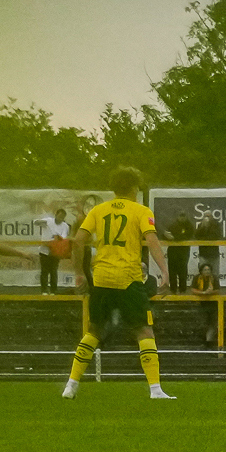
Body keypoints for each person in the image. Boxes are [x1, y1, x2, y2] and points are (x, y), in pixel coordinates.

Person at [64, 168, 175, 401]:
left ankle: (71, 385)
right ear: (134, 187)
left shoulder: (98, 210)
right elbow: (152, 241)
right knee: (144, 330)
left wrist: (79, 273)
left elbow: (78, 242)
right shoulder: (141, 211)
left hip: (102, 278)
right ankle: (155, 389)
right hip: (128, 278)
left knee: (93, 330)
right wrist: (164, 271)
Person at [40, 207, 68, 294]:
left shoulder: (65, 226)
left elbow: (64, 237)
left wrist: (55, 238)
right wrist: (40, 222)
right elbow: (35, 222)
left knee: (53, 271)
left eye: (62, 218)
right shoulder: (48, 221)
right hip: (44, 251)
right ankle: (44, 290)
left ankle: (53, 291)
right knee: (44, 271)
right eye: (59, 217)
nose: (61, 219)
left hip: (56, 252)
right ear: (55, 215)